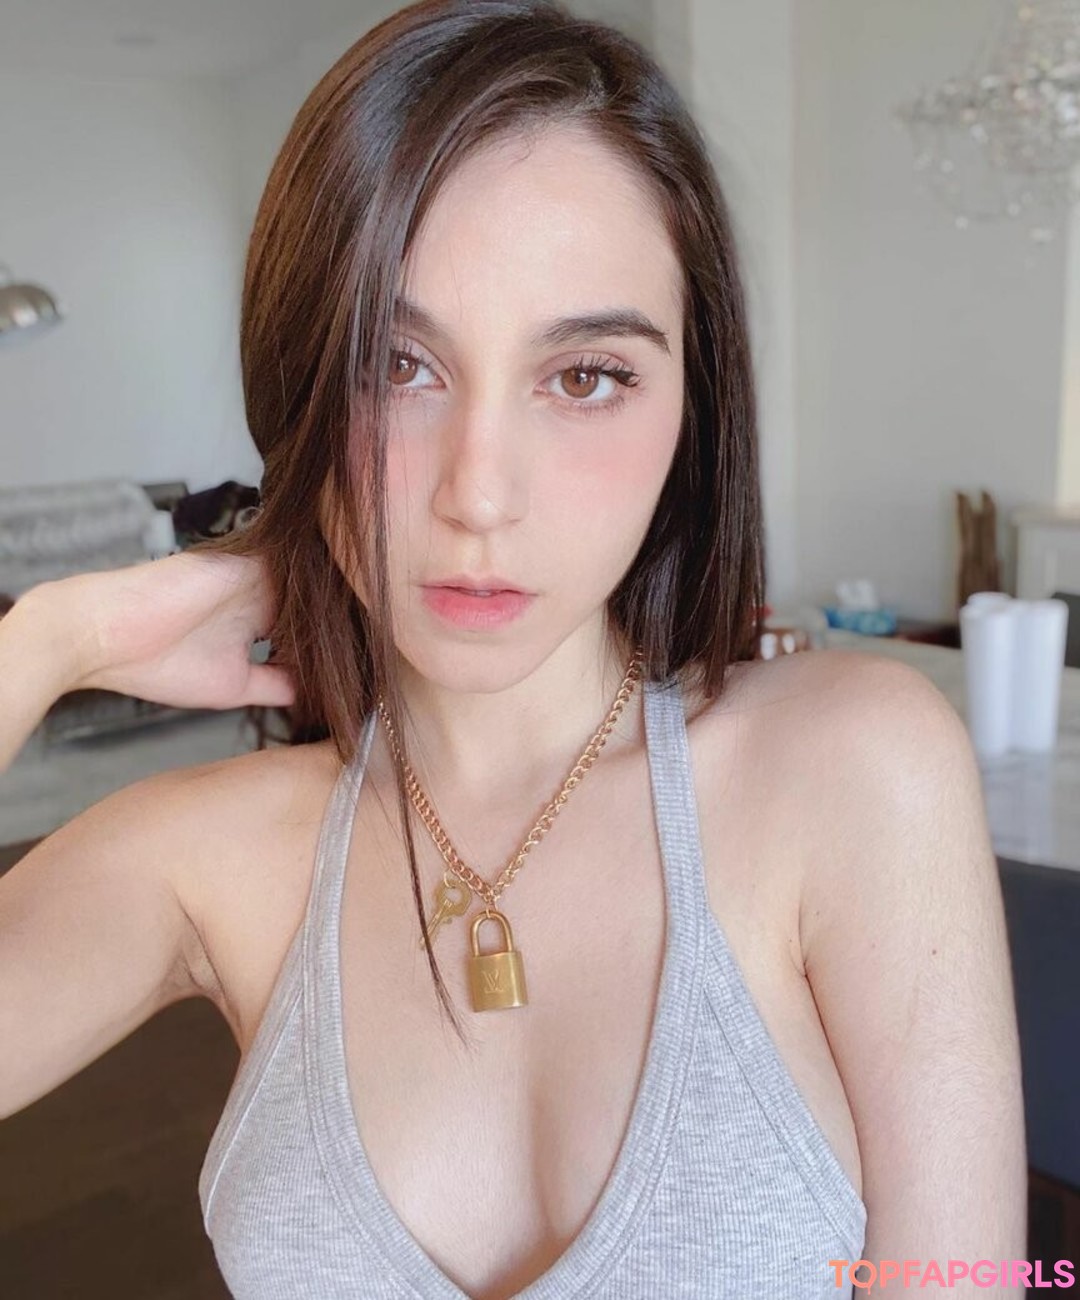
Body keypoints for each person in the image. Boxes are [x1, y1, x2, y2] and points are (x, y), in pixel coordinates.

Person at [0, 1, 1026, 1296]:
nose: (479, 494)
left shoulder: (855, 770)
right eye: (395, 365)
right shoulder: (203, 858)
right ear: (297, 388)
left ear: (693, 407)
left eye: (585, 375)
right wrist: (53, 637)